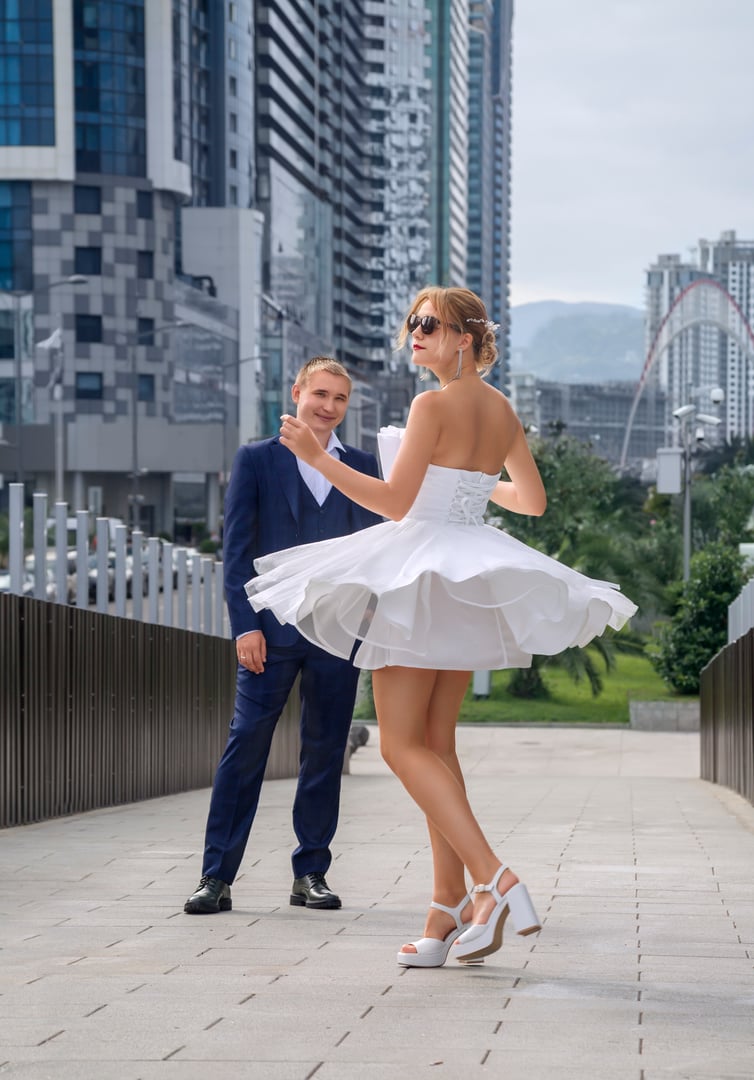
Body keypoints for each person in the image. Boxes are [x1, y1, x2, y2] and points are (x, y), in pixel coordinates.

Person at [246, 287, 637, 964]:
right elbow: (532, 500)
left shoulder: (432, 405)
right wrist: (468, 487)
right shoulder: (502, 409)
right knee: (437, 745)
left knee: (400, 745)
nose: (416, 332)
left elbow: (395, 504)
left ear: (465, 338)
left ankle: (494, 880)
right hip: (465, 572)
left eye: (430, 323)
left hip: (423, 572)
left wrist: (317, 457)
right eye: (413, 322)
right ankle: (445, 909)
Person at [184, 357, 381, 915]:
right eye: (320, 394)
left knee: (324, 751)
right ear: (297, 392)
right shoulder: (257, 459)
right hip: (269, 633)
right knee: (245, 745)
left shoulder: (361, 466)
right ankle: (216, 877)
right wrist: (245, 625)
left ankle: (310, 873)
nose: (329, 406)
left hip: (336, 635)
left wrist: (367, 620)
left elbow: (375, 550)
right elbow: (237, 553)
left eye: (339, 398)